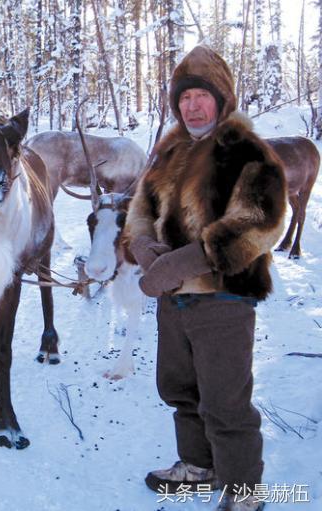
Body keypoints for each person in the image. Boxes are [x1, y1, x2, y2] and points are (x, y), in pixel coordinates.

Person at [124, 46, 287, 511]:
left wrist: (180, 263)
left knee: (225, 401)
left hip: (224, 299)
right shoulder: (169, 152)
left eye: (202, 96)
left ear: (223, 98)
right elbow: (140, 211)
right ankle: (198, 468)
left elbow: (261, 223)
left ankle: (244, 492)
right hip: (172, 301)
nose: (192, 106)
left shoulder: (248, 152)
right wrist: (144, 248)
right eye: (185, 97)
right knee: (180, 390)